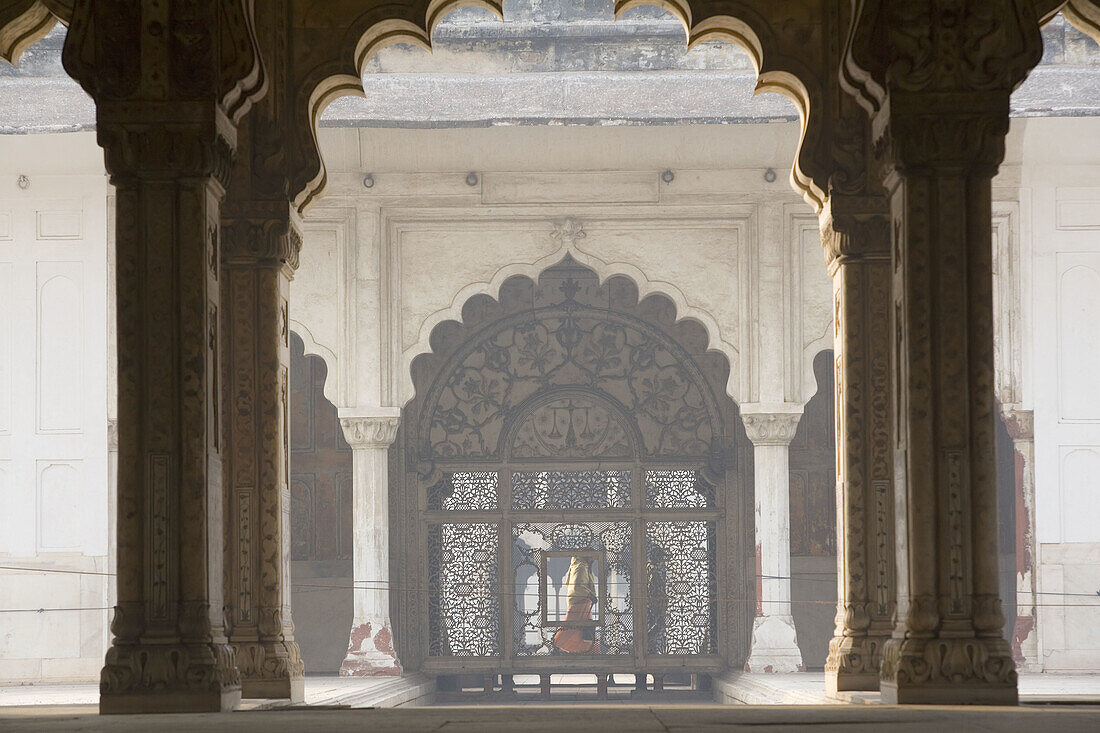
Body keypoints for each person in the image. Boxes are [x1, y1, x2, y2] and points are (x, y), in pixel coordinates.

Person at [553, 555, 599, 653]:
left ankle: (586, 650)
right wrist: (590, 595)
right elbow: (577, 586)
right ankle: (558, 643)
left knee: (580, 628)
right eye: (591, 555)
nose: (592, 558)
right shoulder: (581, 567)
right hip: (580, 599)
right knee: (573, 626)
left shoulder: (581, 565)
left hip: (580, 599)